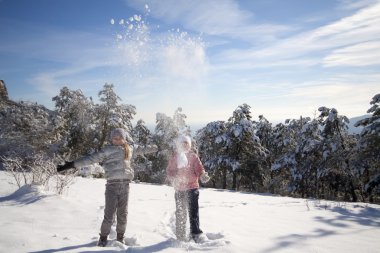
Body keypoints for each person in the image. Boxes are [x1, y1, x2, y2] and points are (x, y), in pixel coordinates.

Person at [57, 128, 157, 247]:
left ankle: (120, 237)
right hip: (112, 186)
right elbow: (90, 158)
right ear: (111, 139)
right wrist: (72, 164)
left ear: (124, 139)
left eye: (120, 138)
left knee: (123, 214)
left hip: (125, 186)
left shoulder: (129, 149)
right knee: (109, 214)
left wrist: (155, 147)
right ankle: (103, 237)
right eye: (115, 138)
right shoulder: (107, 150)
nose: (117, 140)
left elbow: (142, 149)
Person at [166, 135, 210, 243]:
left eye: (186, 143)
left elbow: (199, 168)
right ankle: (180, 234)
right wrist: (172, 178)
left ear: (189, 145)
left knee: (193, 212)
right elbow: (170, 170)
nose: (184, 145)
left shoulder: (193, 157)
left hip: (192, 188)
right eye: (182, 143)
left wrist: (202, 175)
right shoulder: (175, 157)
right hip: (179, 189)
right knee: (181, 212)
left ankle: (196, 232)